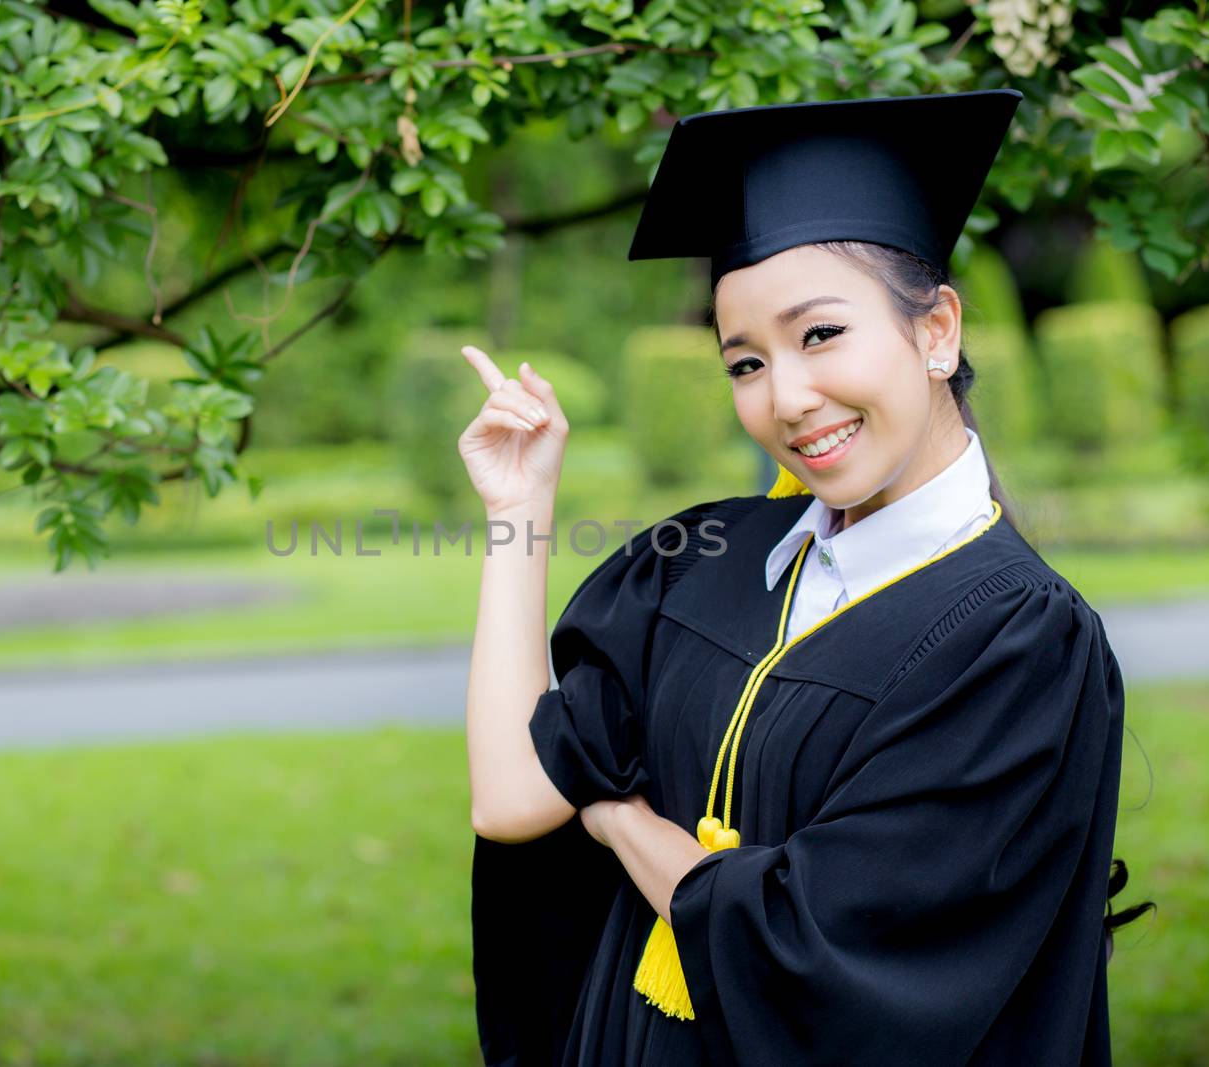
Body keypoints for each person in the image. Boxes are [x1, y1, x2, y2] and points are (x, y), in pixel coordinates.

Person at [458, 89, 1152, 1067]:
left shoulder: (1017, 641)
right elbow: (514, 796)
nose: (786, 396)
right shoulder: (695, 562)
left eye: (820, 334)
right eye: (744, 362)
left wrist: (615, 811)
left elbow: (818, 948)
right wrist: (517, 512)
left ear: (937, 329)